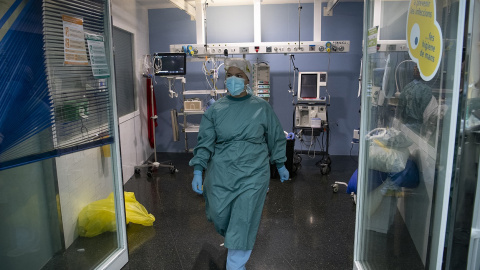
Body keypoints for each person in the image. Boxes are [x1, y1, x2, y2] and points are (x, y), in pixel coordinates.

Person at [189, 58, 290, 270]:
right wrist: (198, 170)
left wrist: (280, 163)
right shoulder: (215, 110)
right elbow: (204, 142)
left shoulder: (261, 108)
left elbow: (276, 137)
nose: (233, 80)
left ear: (247, 79)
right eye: (229, 76)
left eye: (239, 75)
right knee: (218, 213)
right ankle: (234, 239)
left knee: (243, 218)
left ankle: (236, 264)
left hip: (253, 171)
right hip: (222, 172)